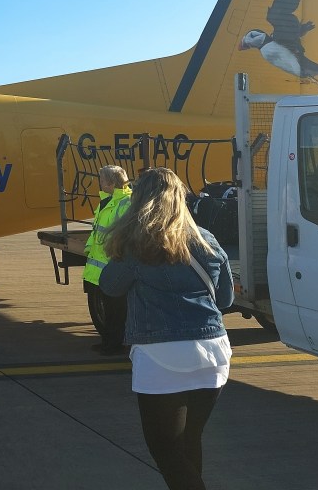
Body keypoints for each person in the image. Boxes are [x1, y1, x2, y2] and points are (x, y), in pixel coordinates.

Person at [100, 167, 234, 490]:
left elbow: (109, 286)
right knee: (189, 442)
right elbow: (226, 299)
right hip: (213, 353)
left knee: (165, 449)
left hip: (161, 357)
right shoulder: (206, 239)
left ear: (140, 202)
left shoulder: (137, 245)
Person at [82, 165, 132, 355]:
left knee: (116, 310)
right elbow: (97, 230)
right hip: (99, 265)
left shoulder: (126, 202)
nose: (100, 183)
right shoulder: (106, 201)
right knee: (107, 309)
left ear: (111, 183)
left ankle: (115, 345)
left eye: (102, 180)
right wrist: (89, 247)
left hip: (112, 265)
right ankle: (108, 341)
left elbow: (126, 234)